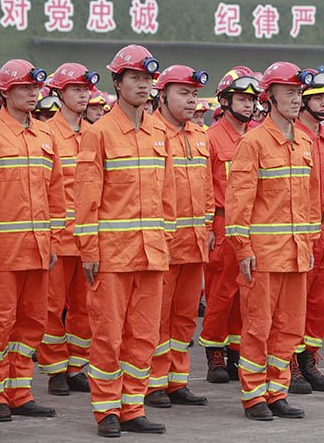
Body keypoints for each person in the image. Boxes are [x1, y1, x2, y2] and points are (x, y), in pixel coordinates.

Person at [75, 44, 176, 436]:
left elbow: (166, 196)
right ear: (117, 83)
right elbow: (86, 197)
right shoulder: (99, 133)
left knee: (145, 335)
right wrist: (88, 251)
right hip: (112, 256)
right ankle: (106, 410)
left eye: (147, 79)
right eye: (133, 78)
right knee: (108, 335)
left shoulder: (157, 132)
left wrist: (164, 239)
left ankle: (133, 405)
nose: (142, 85)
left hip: (151, 253)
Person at [225, 61, 320, 421]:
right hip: (263, 256)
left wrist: (310, 242)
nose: (296, 100)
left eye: (298, 93)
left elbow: (312, 199)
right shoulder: (253, 142)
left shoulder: (304, 142)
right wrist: (242, 248)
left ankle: (276, 390)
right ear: (270, 97)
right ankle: (253, 395)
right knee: (258, 327)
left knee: (290, 327)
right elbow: (239, 200)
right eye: (289, 93)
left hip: (296, 254)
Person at [0, 59, 65, 421]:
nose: (32, 94)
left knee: (32, 322)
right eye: (24, 88)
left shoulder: (46, 135)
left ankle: (20, 391)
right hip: (1, 252)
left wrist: (55, 241)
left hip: (38, 249)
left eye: (35, 88)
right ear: (5, 92)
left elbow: (56, 195)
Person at [144, 65, 213, 408]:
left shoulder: (200, 136)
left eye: (194, 94)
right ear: (162, 95)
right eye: (182, 94)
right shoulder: (150, 133)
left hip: (195, 242)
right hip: (163, 244)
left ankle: (176, 380)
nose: (190, 101)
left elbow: (209, 189)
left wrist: (210, 228)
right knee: (156, 316)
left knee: (185, 317)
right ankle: (151, 382)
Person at [36, 63, 99, 396]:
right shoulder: (46, 133)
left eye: (85, 89)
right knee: (51, 305)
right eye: (75, 89)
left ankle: (77, 366)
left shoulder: (95, 132)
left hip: (88, 237)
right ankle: (55, 368)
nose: (83, 95)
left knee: (86, 306)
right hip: (59, 237)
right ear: (58, 94)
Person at [199, 66, 259, 383]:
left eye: (251, 100)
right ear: (224, 101)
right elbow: (205, 187)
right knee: (221, 293)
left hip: (250, 225)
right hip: (222, 223)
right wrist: (208, 227)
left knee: (244, 293)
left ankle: (236, 351)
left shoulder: (257, 136)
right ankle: (214, 354)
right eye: (241, 99)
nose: (248, 105)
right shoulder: (211, 139)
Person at [291, 69, 324, 394]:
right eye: (319, 98)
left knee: (321, 302)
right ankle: (290, 364)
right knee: (295, 302)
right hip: (302, 229)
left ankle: (310, 360)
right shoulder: (294, 136)